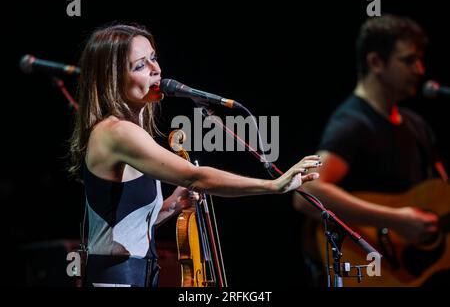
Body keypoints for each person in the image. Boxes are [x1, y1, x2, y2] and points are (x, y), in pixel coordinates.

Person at [68, 23, 321, 287]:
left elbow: (127, 228)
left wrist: (172, 206)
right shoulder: (116, 132)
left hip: (139, 276)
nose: (157, 69)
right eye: (140, 66)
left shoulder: (130, 132)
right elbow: (195, 177)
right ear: (112, 79)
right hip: (115, 279)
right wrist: (273, 185)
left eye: (153, 58)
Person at [293, 14, 448, 286]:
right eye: (409, 60)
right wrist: (396, 220)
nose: (420, 70)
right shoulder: (353, 123)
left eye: (420, 60)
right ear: (376, 62)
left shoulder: (417, 126)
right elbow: (306, 191)